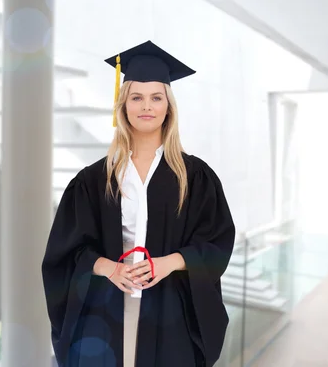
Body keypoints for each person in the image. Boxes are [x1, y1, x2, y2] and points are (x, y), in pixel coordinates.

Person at [41, 40, 235, 367]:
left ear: (168, 106)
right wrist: (111, 268)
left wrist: (170, 262)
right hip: (103, 316)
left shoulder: (195, 176)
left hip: (171, 315)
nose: (147, 106)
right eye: (137, 97)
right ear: (124, 106)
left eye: (156, 97)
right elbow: (65, 254)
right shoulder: (92, 180)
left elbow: (216, 244)